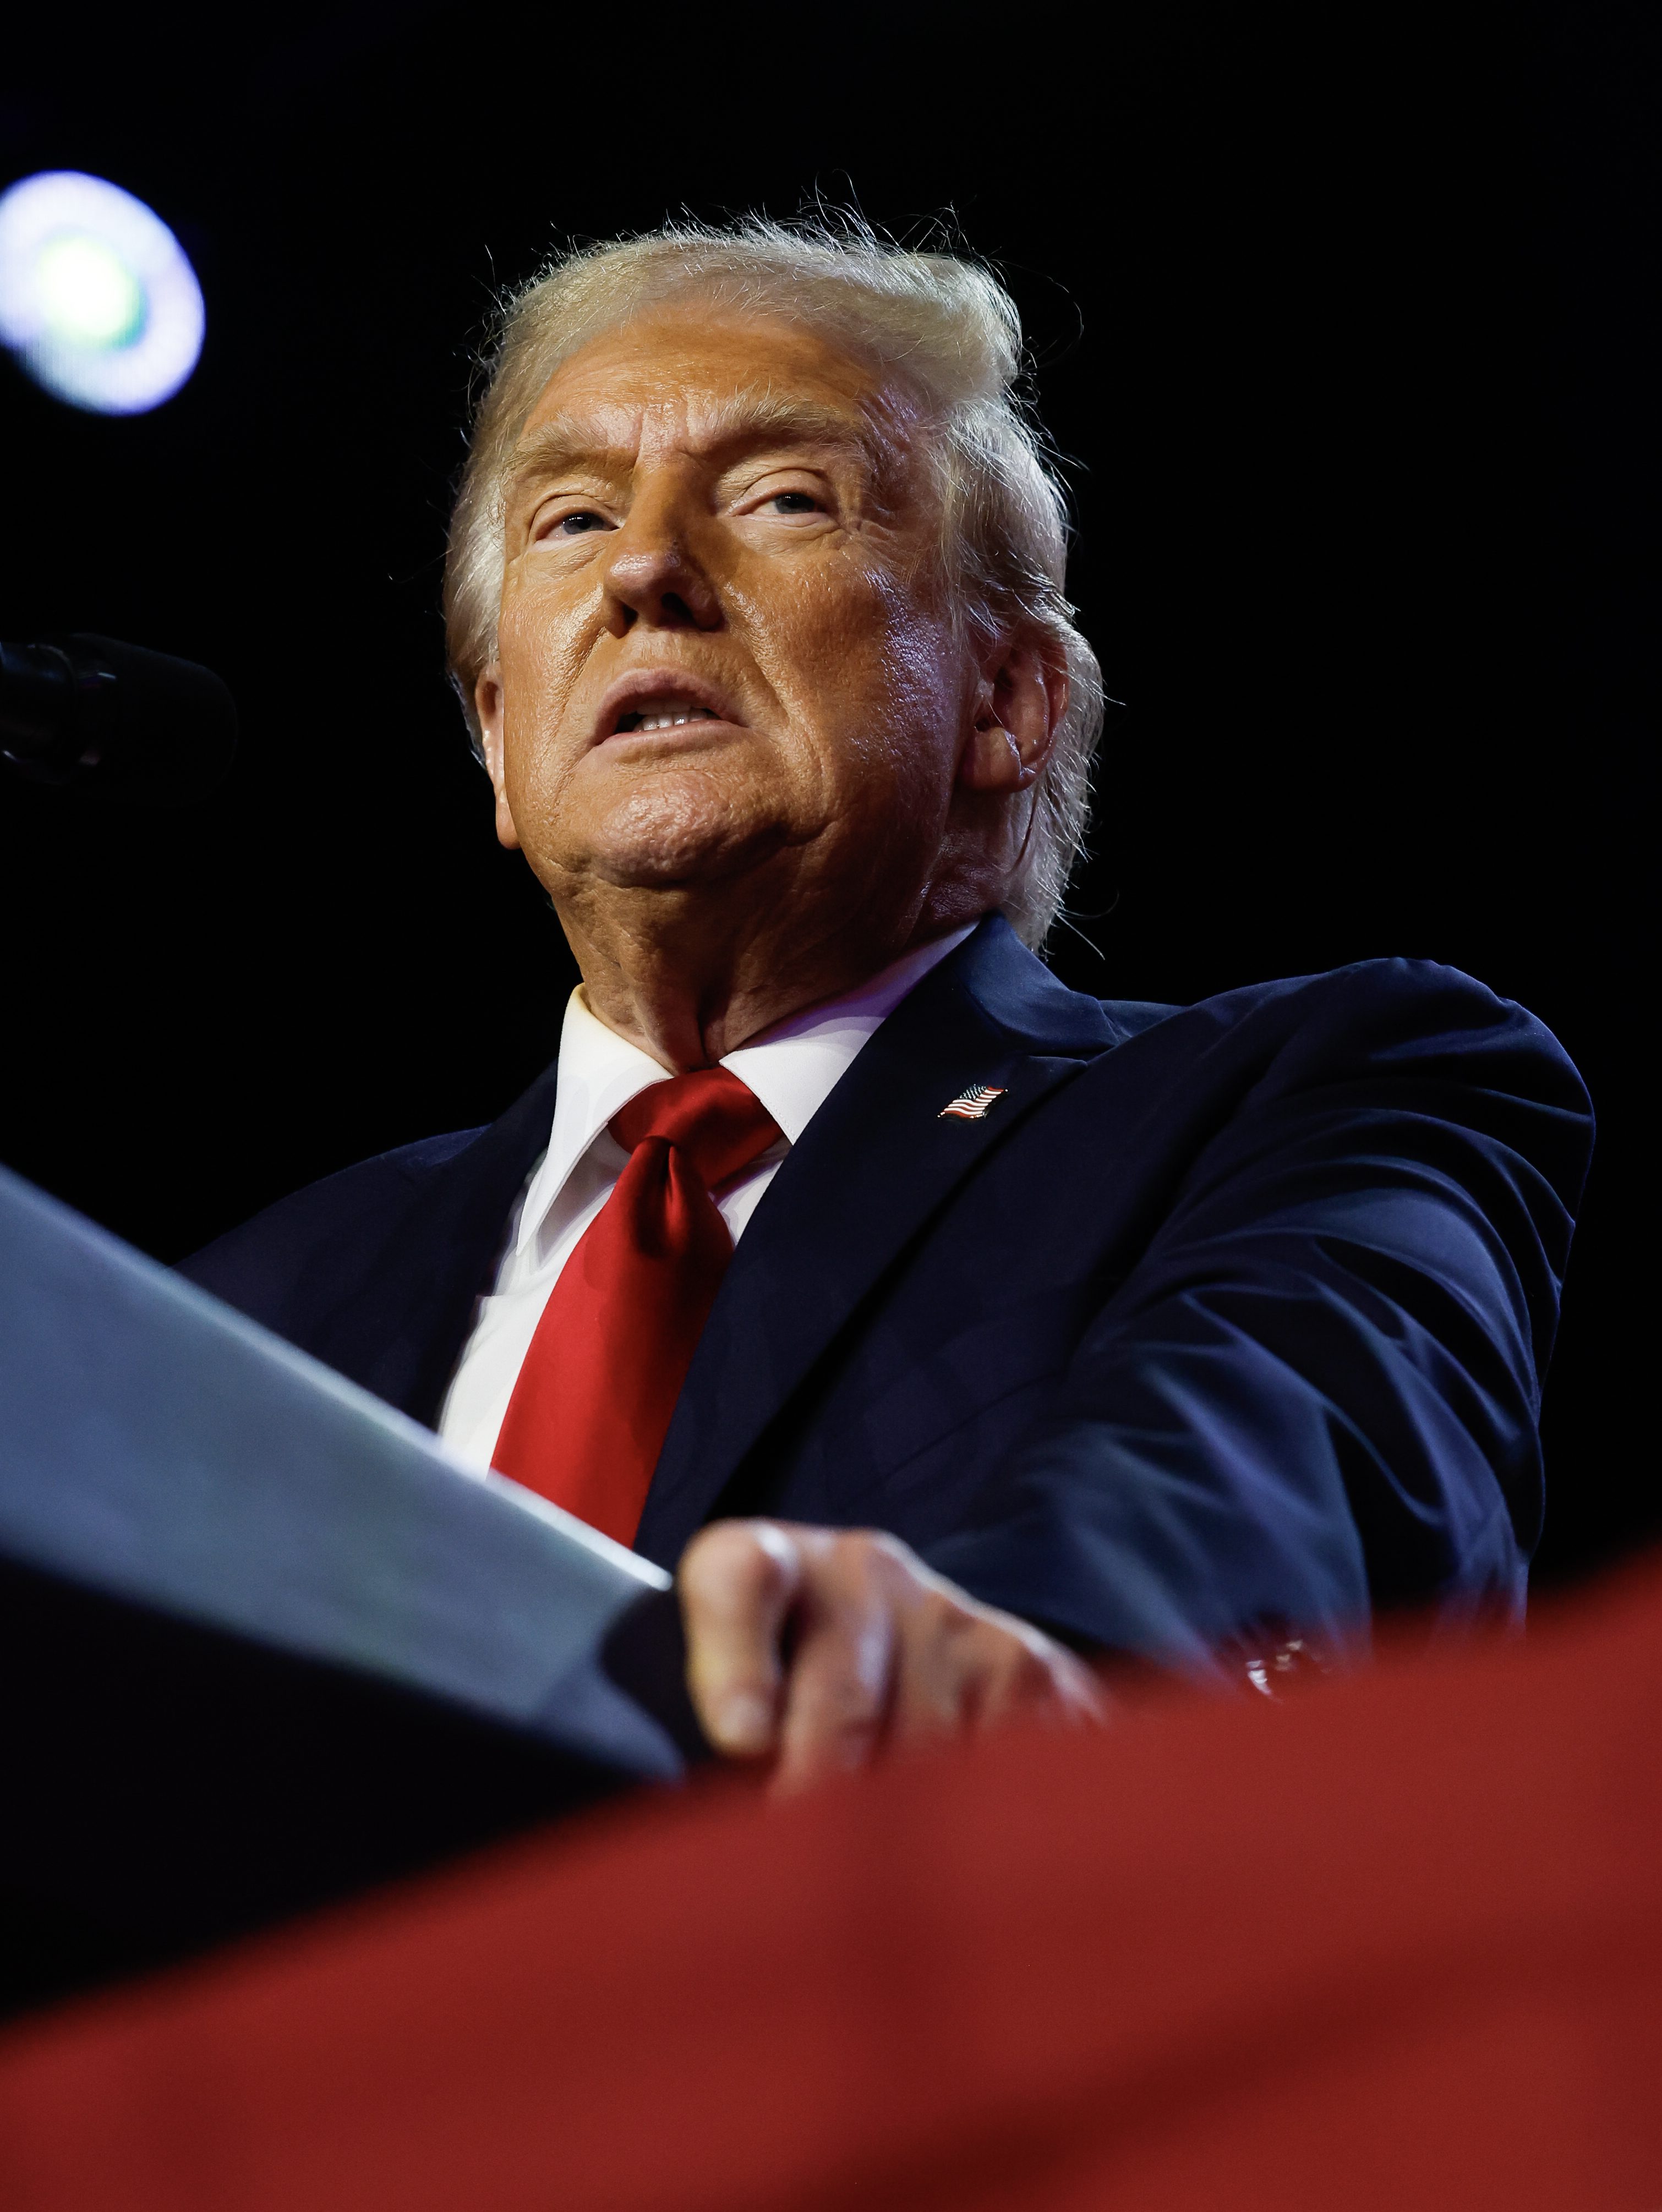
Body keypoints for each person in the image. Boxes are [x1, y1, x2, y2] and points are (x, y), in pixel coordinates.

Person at [183, 218, 1591, 1792]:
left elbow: (1277, 1447)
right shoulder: (244, 1308)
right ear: (499, 738)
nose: (644, 571)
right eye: (571, 520)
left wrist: (1038, 1647)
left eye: (783, 498)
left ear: (1007, 698)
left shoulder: (1314, 1093)